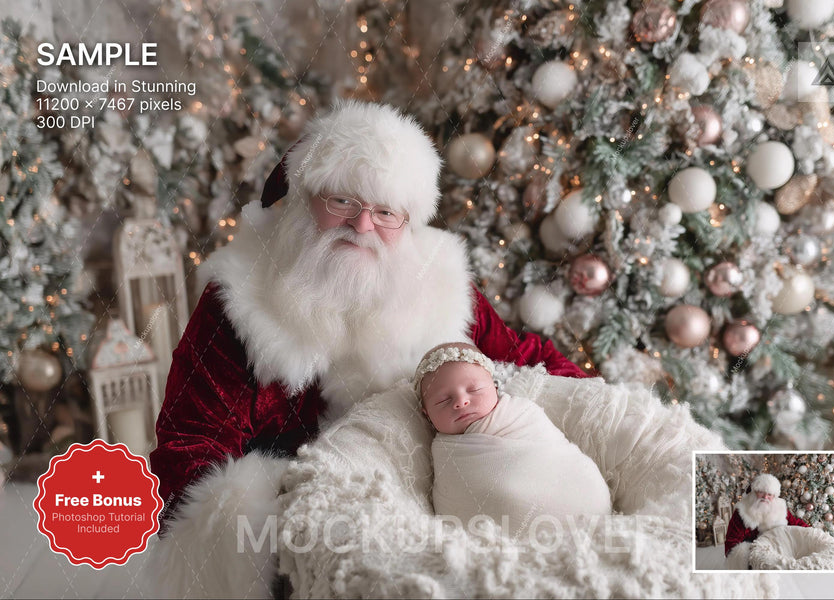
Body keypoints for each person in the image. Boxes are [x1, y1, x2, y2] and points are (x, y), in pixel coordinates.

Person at [146, 101, 591, 598]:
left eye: (384, 212)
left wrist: (588, 416)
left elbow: (525, 358)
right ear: (304, 195)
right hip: (296, 523)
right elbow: (192, 439)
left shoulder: (441, 286)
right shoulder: (239, 297)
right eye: (342, 202)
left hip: (430, 500)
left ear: (408, 222)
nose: (362, 226)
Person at [417, 342, 611, 537]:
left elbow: (558, 452)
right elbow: (453, 496)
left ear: (494, 387)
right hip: (500, 525)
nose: (461, 401)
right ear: (427, 415)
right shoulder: (445, 451)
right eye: (443, 400)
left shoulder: (521, 413)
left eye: (474, 390)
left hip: (576, 491)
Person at [724, 473, 809, 569]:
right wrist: (752, 557)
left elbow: (795, 523)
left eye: (769, 494)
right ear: (755, 492)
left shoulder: (780, 508)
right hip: (751, 555)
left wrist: (811, 531)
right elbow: (732, 541)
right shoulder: (742, 511)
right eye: (761, 492)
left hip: (775, 550)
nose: (765, 497)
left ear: (774, 496)